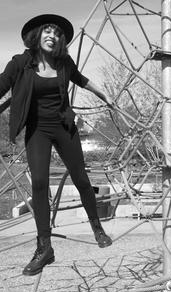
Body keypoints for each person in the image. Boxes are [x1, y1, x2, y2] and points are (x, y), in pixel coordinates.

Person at [0, 14, 114, 276]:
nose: (52, 36)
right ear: (37, 35)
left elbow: (81, 79)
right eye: (47, 31)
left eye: (57, 33)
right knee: (39, 183)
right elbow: (2, 84)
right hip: (37, 130)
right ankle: (44, 247)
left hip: (64, 127)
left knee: (82, 180)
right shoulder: (20, 63)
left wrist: (103, 94)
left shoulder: (64, 63)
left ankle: (97, 226)